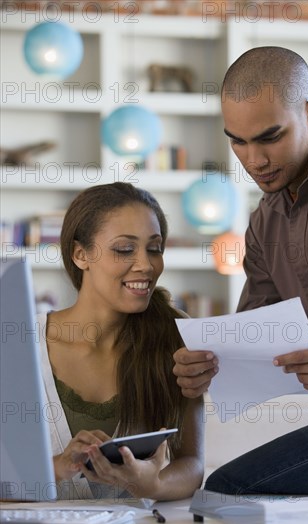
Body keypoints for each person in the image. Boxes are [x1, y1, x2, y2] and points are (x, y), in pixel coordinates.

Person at [173, 46, 308, 496]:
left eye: (269, 137)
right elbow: (254, 342)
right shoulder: (264, 224)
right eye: (237, 141)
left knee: (231, 491)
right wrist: (206, 365)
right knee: (225, 491)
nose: (253, 160)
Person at [38, 181, 204, 501]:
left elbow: (191, 463)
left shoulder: (173, 339)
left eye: (154, 248)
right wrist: (57, 467)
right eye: (124, 249)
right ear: (80, 254)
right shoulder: (20, 345)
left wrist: (155, 486)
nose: (146, 264)